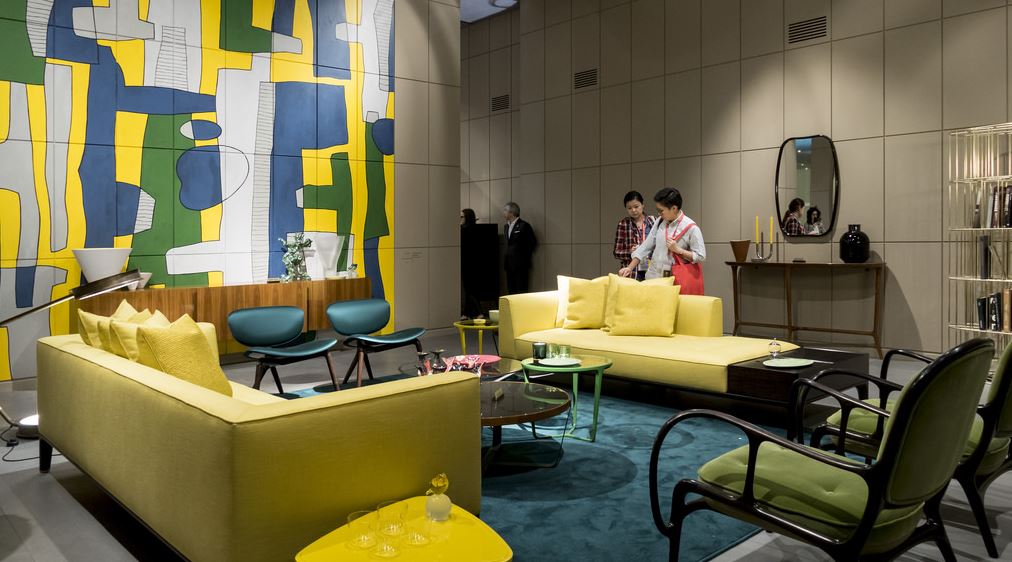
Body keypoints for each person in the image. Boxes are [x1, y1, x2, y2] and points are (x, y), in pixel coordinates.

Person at [619, 188, 705, 291]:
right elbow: (646, 246)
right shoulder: (660, 221)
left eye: (661, 211)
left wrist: (679, 250)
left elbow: (700, 256)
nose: (659, 214)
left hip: (673, 282)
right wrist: (629, 268)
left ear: (674, 208)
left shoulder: (691, 228)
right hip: (653, 278)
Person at [613, 191, 656, 281]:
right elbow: (616, 252)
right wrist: (630, 252)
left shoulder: (653, 221)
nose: (633, 210)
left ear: (642, 205)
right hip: (631, 272)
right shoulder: (623, 224)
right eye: (629, 208)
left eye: (636, 206)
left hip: (651, 269)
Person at [503, 202, 537, 294]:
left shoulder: (524, 225)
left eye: (505, 210)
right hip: (509, 265)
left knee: (521, 291)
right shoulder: (506, 227)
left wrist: (522, 258)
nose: (503, 212)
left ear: (512, 212)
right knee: (511, 291)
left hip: (521, 266)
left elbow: (532, 243)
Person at [460, 208, 481, 317]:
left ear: (467, 217)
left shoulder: (463, 230)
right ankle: (466, 313)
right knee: (470, 288)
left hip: (466, 263)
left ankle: (479, 312)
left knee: (469, 289)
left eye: (462, 216)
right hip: (475, 263)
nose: (460, 219)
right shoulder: (476, 229)